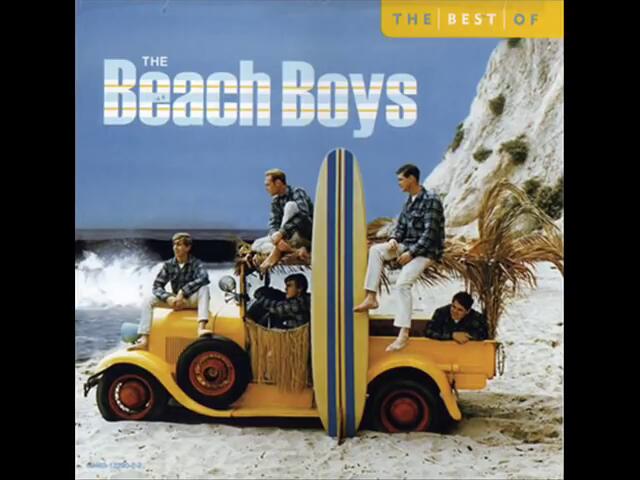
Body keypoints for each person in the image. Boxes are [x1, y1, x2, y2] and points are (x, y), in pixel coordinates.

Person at [354, 164, 445, 352]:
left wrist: (411, 254)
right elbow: (401, 227)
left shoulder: (431, 200)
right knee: (377, 251)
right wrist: (394, 239)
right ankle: (371, 297)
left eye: (401, 179)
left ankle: (403, 334)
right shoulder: (408, 202)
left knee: (403, 284)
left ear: (412, 178)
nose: (399, 184)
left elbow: (431, 234)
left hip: (426, 251)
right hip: (407, 245)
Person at [128, 232, 211, 351]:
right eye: (174, 245)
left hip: (190, 299)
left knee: (204, 289)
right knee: (148, 300)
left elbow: (204, 278)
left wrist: (183, 291)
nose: (175, 248)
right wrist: (168, 298)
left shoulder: (195, 263)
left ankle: (201, 328)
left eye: (179, 245)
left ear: (188, 247)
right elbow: (157, 286)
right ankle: (144, 339)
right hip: (175, 301)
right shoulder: (169, 265)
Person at [256, 169, 314, 271]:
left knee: (290, 206)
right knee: (256, 244)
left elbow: (303, 215)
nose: (266, 188)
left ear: (278, 183)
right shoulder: (276, 201)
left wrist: (282, 233)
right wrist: (277, 237)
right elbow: (273, 223)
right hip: (288, 238)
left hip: (304, 233)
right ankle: (290, 249)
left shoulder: (297, 192)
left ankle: (276, 252)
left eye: (268, 185)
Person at [425, 292, 489, 343]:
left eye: (460, 310)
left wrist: (468, 336)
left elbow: (484, 335)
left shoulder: (477, 318)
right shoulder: (441, 313)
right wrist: (452, 335)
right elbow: (428, 332)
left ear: (468, 311)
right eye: (453, 307)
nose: (455, 312)